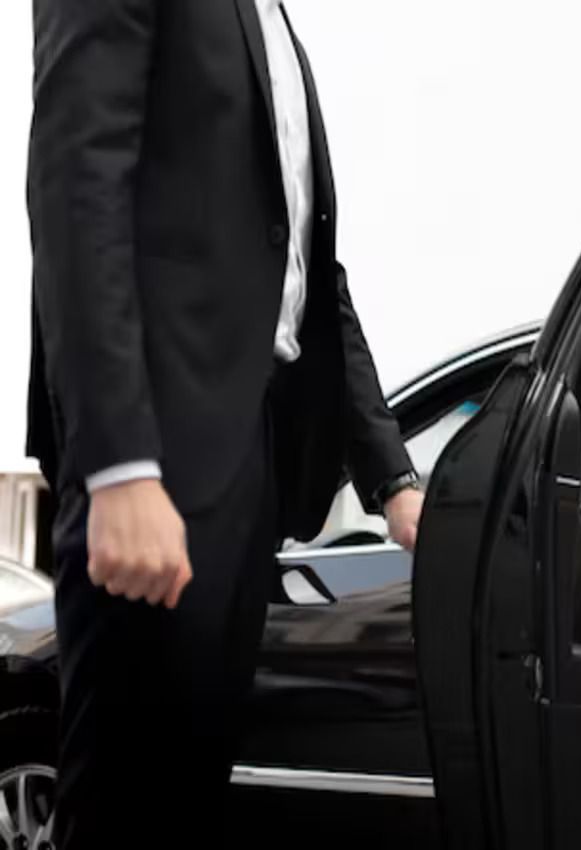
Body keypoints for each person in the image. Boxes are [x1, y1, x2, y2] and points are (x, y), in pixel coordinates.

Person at [25, 2, 423, 847]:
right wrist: (119, 465)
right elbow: (75, 181)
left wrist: (391, 479)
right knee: (121, 808)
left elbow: (313, 281)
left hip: (250, 471)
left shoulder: (276, 23)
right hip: (155, 468)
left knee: (187, 805)